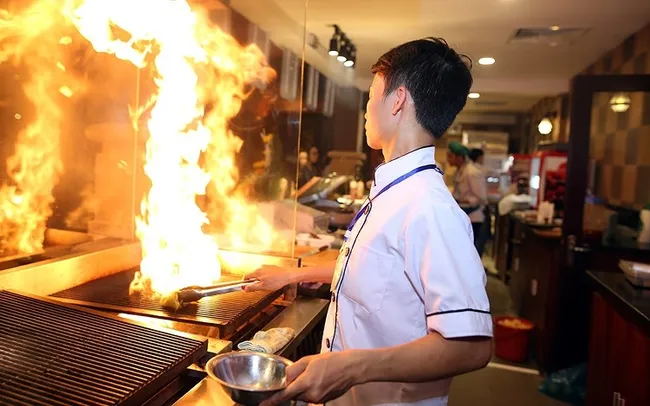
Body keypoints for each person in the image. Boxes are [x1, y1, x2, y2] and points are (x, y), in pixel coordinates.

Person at [244, 37, 492, 406]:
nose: (365, 110)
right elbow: (374, 269)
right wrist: (290, 275)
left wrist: (352, 368)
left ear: (398, 100)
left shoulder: (429, 208)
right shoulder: (393, 192)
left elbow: (471, 347)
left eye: (372, 95)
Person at [447, 141, 489, 257]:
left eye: (450, 156)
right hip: (463, 214)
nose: (448, 160)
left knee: (472, 253)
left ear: (459, 157)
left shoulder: (472, 172)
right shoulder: (459, 171)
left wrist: (460, 201)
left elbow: (482, 198)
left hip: (474, 217)